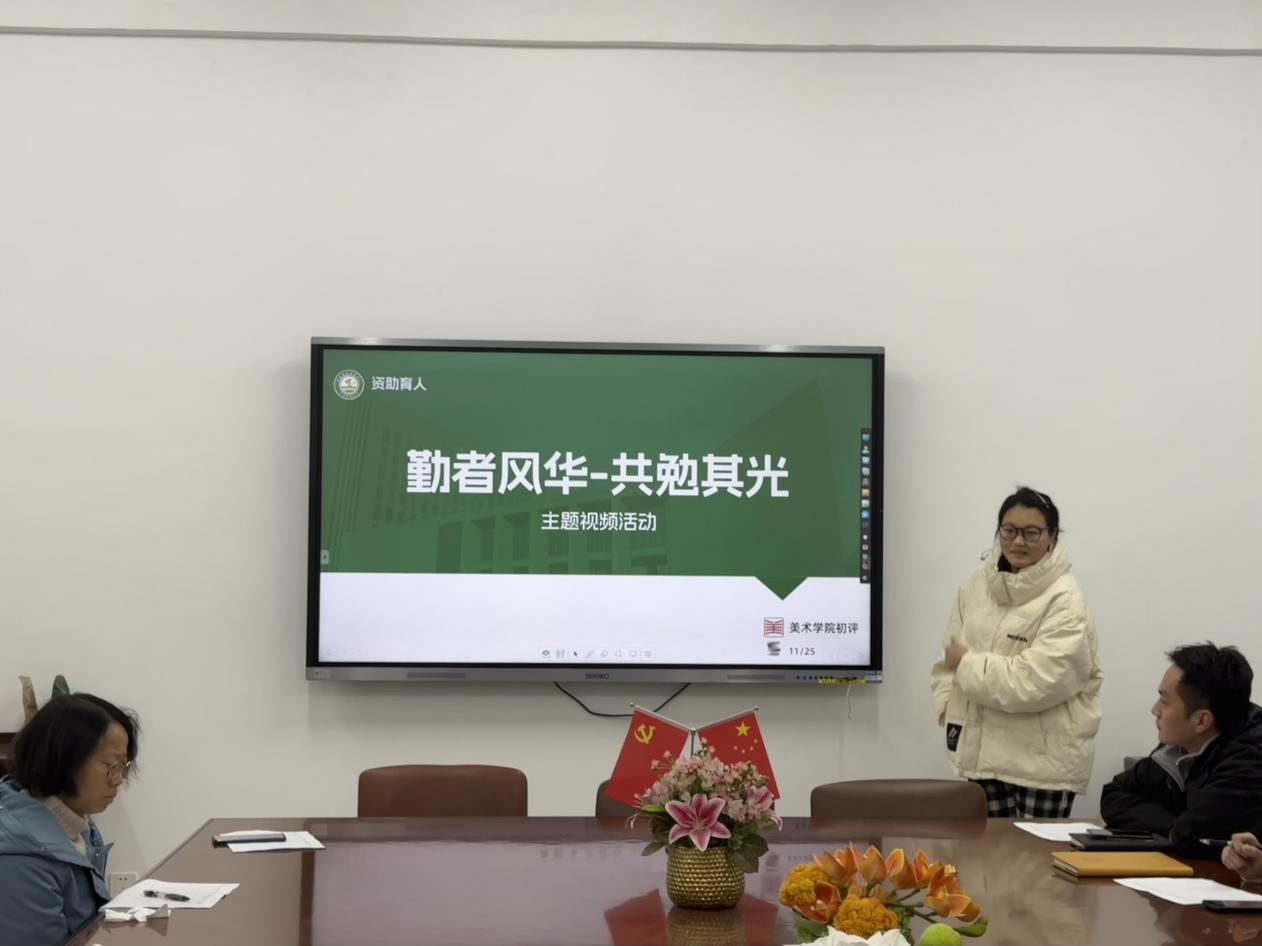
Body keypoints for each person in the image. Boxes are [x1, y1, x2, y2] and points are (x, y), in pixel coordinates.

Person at [930, 486, 1103, 817]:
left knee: (1036, 854)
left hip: (1043, 769)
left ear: (1052, 536)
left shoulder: (1066, 599)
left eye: (1031, 532)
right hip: (980, 759)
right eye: (1009, 530)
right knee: (984, 851)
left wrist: (967, 665)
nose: (1018, 541)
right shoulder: (976, 585)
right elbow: (947, 658)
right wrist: (950, 712)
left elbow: (1034, 682)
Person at [0, 693, 140, 946]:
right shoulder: (19, 856)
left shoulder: (74, 820)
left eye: (123, 764)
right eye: (110, 764)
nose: (119, 779)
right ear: (62, 759)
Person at [1101, 643, 1262, 855]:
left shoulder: (1249, 760)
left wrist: (1180, 829)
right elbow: (1112, 796)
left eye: (1164, 701)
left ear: (1201, 721)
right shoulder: (1179, 748)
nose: (1155, 710)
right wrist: (1175, 825)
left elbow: (1195, 836)